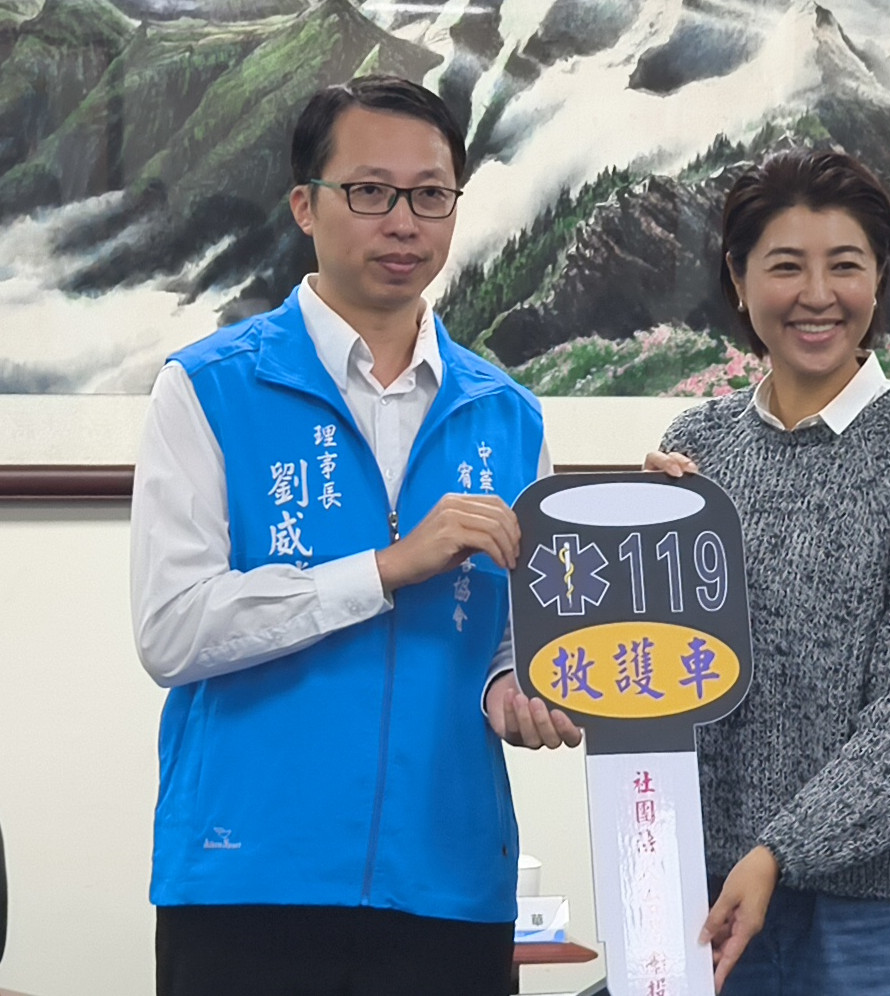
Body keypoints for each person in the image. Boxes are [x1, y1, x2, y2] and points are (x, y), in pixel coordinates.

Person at [129, 75, 581, 996]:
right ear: (306, 205)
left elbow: (508, 630)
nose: (404, 222)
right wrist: (382, 569)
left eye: (431, 195)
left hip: (450, 878)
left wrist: (514, 687)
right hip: (250, 875)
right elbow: (171, 631)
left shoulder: (509, 413)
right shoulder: (208, 387)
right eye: (370, 192)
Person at [645, 148, 890, 996]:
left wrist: (780, 852)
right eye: (787, 266)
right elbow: (667, 671)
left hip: (872, 913)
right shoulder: (696, 447)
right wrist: (638, 538)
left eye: (845, 265)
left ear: (879, 278)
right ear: (739, 278)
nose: (818, 295)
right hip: (710, 889)